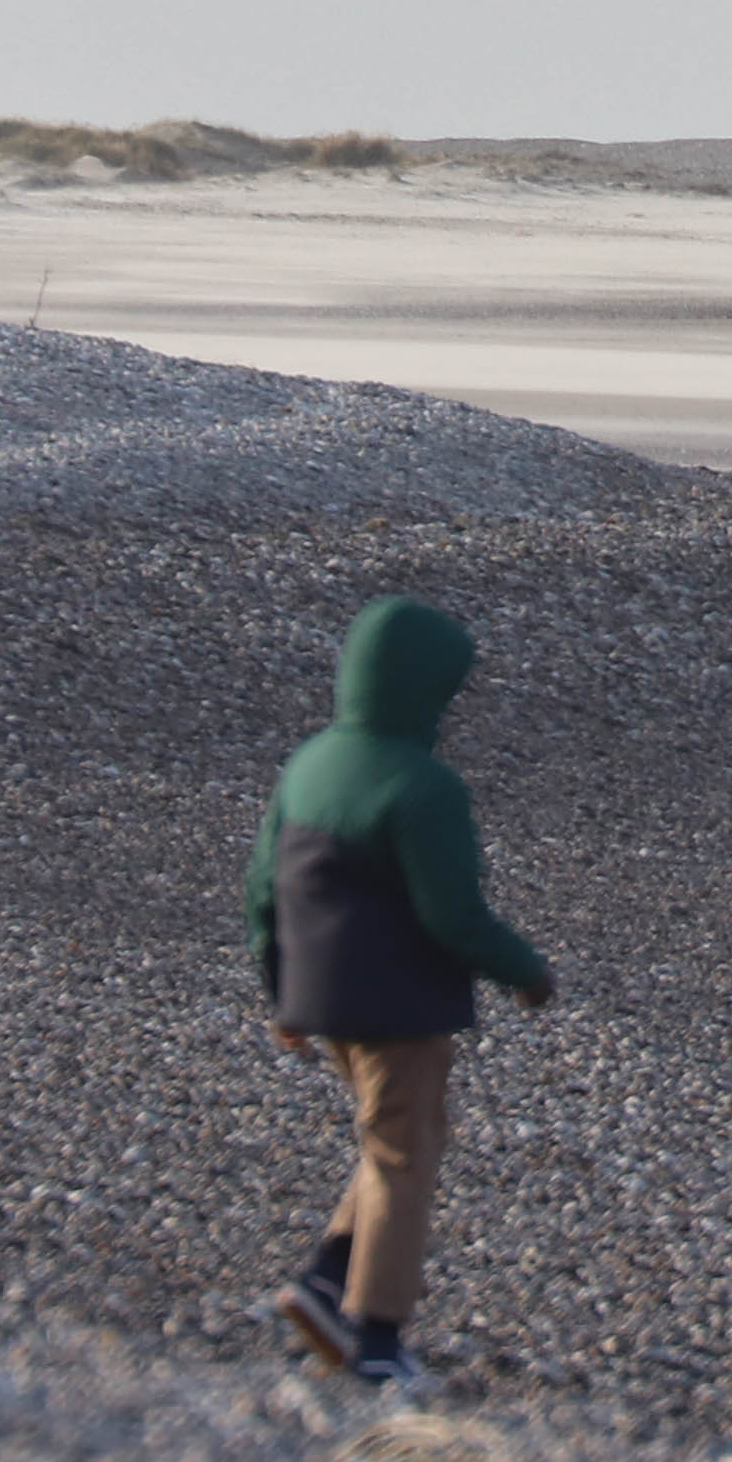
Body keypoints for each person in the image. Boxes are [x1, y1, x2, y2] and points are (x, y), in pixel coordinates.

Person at [247, 595, 556, 1398]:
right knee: (402, 1156)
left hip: (319, 997)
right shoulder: (424, 788)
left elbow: (261, 887)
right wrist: (523, 969)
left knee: (394, 1136)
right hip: (401, 1006)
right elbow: (453, 916)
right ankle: (376, 1337)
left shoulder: (310, 762)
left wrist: (278, 988)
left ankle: (325, 1277)